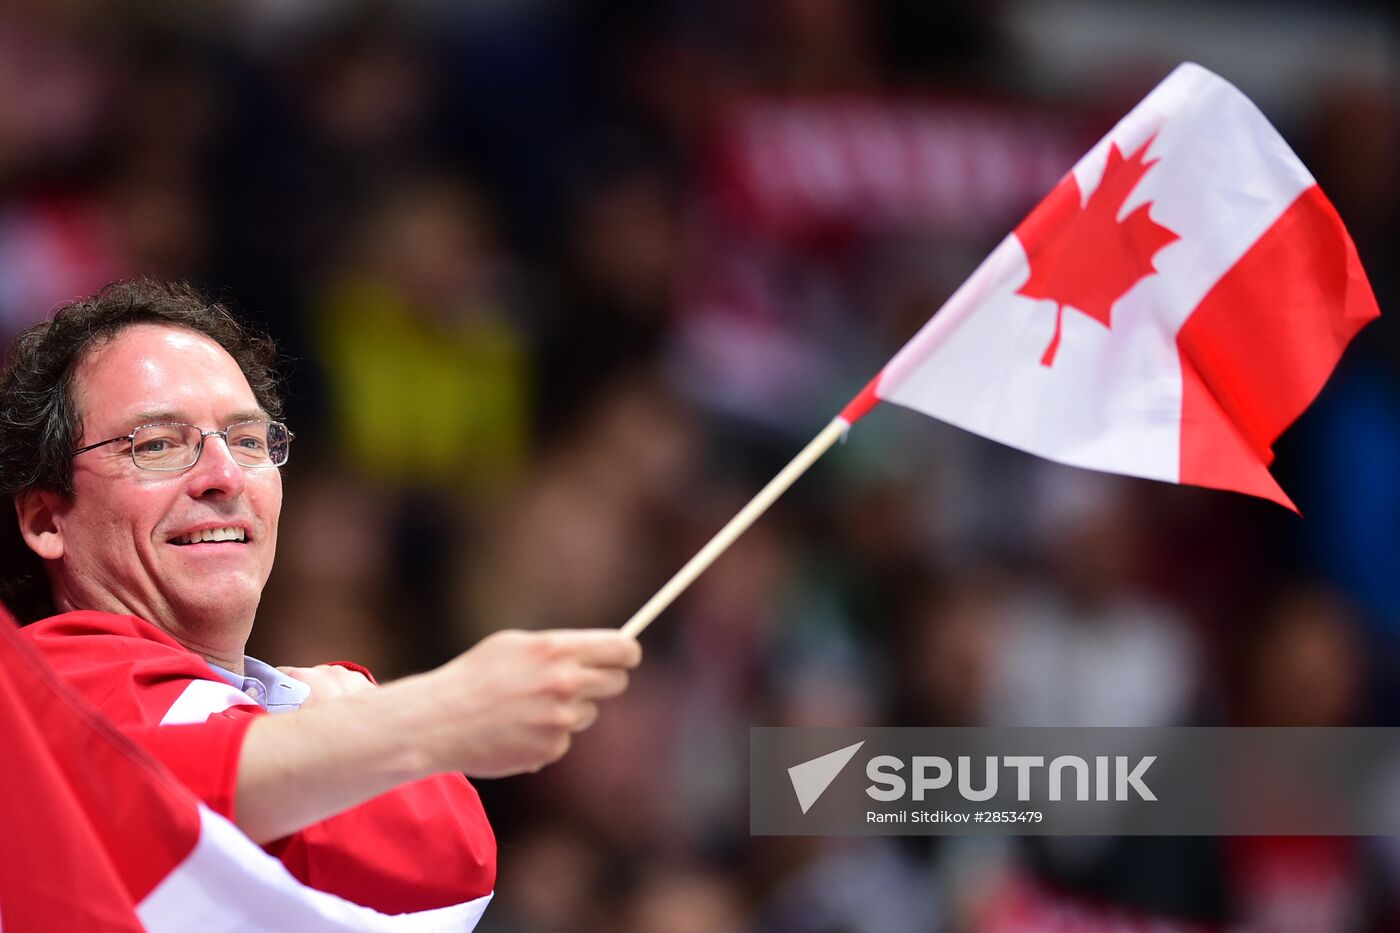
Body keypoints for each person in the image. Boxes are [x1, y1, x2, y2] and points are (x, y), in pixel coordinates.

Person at [0, 279, 641, 921]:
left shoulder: (309, 709)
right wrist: (436, 713)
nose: (225, 476)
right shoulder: (37, 687)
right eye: (158, 444)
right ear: (46, 522)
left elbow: (452, 863)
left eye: (248, 442)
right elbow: (142, 791)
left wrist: (345, 725)